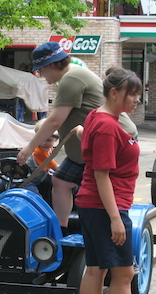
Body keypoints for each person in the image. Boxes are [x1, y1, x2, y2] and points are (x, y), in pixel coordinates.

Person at [75, 67, 156, 294]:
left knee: (95, 269)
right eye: (133, 94)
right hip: (106, 206)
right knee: (124, 273)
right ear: (115, 93)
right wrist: (116, 219)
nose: (137, 99)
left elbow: (86, 140)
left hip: (93, 205)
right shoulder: (107, 125)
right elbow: (102, 175)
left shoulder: (96, 118)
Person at [16, 41, 104, 236]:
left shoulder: (71, 78)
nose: (40, 75)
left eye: (41, 70)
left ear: (52, 65)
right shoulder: (72, 75)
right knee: (60, 182)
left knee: (94, 194)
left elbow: (56, 120)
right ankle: (61, 231)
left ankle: (96, 233)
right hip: (81, 153)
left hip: (101, 149)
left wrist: (29, 147)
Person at [23, 119, 60, 195]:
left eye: (48, 140)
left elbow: (47, 166)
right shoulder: (39, 152)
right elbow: (57, 168)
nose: (43, 143)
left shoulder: (49, 149)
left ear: (56, 139)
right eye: (40, 139)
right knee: (36, 198)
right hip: (27, 182)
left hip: (37, 180)